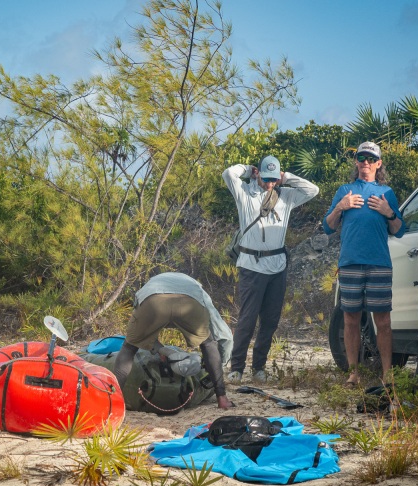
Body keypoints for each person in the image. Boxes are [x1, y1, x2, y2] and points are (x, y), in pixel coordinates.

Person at [223, 155, 319, 384]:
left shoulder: (285, 196)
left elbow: (313, 190)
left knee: (270, 320)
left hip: (277, 267)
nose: (269, 184)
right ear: (259, 174)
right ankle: (236, 367)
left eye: (274, 180)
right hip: (251, 265)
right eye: (266, 178)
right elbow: (228, 173)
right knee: (247, 319)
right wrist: (248, 169)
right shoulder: (244, 193)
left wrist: (287, 177)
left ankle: (259, 367)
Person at [322, 141, 405, 386]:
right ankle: (354, 372)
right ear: (356, 162)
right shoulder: (344, 190)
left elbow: (399, 230)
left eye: (370, 159)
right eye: (361, 158)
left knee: (383, 320)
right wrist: (340, 206)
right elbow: (328, 226)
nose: (365, 163)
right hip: (350, 263)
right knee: (350, 319)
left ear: (378, 164)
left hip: (379, 263)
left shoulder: (386, 192)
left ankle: (387, 373)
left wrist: (389, 212)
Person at [112, 272, 235, 410]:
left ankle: (113, 401)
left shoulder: (150, 284)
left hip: (153, 301)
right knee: (208, 343)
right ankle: (222, 399)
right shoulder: (198, 290)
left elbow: (144, 334)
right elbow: (225, 336)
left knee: (129, 348)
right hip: (190, 303)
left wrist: (159, 349)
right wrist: (221, 364)